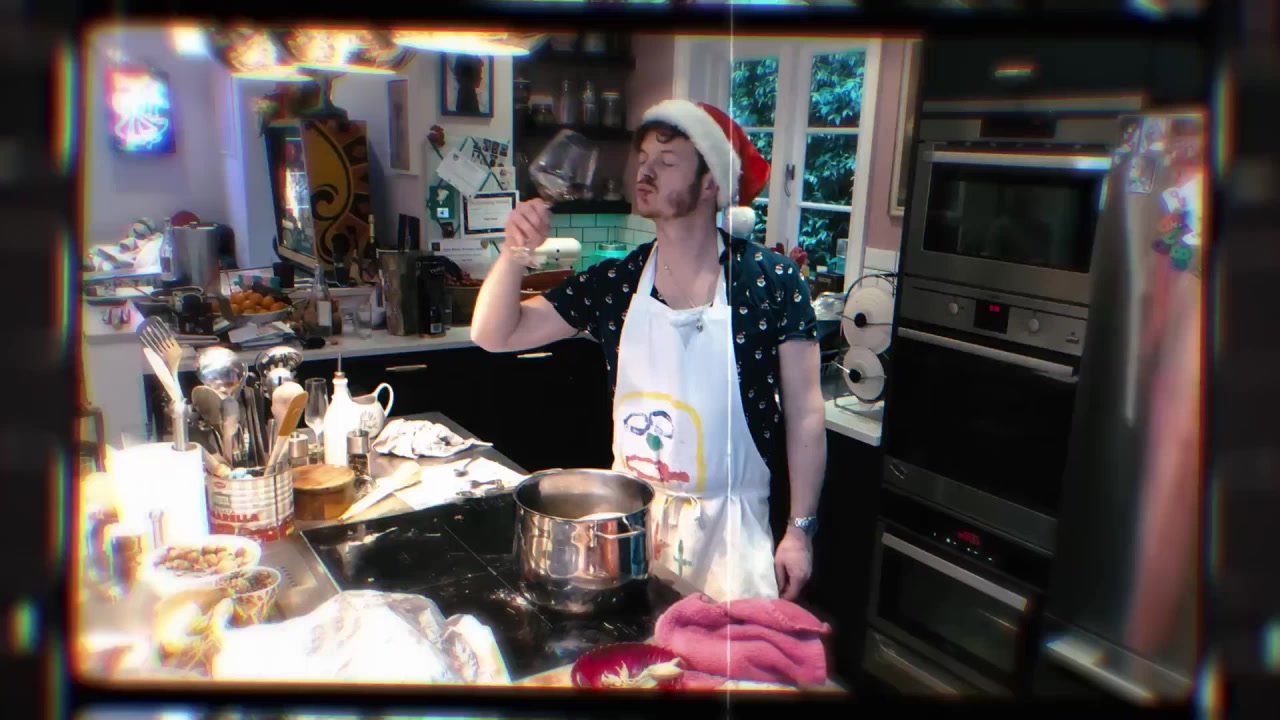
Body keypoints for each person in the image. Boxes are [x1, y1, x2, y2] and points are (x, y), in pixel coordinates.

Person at [472, 99, 827, 602]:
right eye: (642, 158)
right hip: (631, 534)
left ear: (710, 183)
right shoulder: (617, 282)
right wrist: (515, 252)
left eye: (667, 160)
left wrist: (799, 530)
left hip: (734, 538)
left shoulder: (771, 282)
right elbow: (493, 334)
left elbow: (806, 414)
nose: (645, 170)